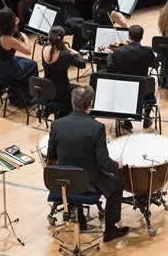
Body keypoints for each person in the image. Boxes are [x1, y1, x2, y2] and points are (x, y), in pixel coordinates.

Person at [45, 86, 129, 243]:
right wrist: (116, 165)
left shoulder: (57, 124)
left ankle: (80, 218)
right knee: (117, 185)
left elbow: (51, 156)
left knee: (69, 175)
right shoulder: (96, 127)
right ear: (91, 103)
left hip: (63, 182)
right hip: (87, 182)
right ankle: (110, 230)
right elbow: (103, 163)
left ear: (73, 102)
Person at [106, 25, 159, 130]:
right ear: (142, 37)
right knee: (148, 83)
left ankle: (126, 121)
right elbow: (156, 65)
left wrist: (110, 56)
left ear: (129, 36)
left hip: (126, 91)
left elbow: (111, 70)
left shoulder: (118, 52)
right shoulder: (148, 51)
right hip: (144, 91)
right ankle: (147, 116)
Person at [0, 7, 38, 105]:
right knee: (33, 64)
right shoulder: (9, 39)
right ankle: (30, 96)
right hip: (8, 70)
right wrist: (26, 39)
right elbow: (28, 51)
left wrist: (14, 25)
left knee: (24, 62)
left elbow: (7, 29)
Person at [41, 25, 87, 103]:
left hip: (47, 90)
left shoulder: (44, 48)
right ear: (62, 39)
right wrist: (76, 53)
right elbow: (82, 64)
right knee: (85, 92)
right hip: (61, 93)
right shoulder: (65, 55)